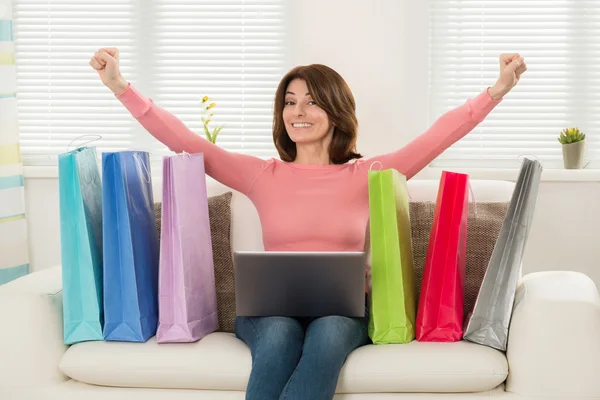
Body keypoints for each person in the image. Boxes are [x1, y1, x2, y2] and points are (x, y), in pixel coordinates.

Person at [89, 48, 526, 400]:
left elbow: (436, 137)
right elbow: (185, 140)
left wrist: (496, 91)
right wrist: (121, 88)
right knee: (278, 337)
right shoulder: (261, 175)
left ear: (335, 111)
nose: (299, 111)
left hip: (340, 310)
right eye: (290, 102)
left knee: (329, 335)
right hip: (269, 312)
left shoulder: (367, 174)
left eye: (312, 101)